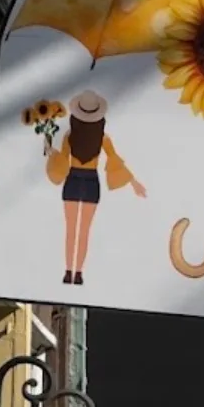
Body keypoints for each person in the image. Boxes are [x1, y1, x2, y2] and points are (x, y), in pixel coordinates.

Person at [44, 90, 146, 285]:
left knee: (71, 230)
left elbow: (62, 162)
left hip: (73, 179)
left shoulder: (69, 136)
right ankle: (79, 273)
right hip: (92, 182)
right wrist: (133, 182)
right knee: (84, 231)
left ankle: (68, 272)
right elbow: (115, 162)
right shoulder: (103, 138)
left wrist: (51, 153)